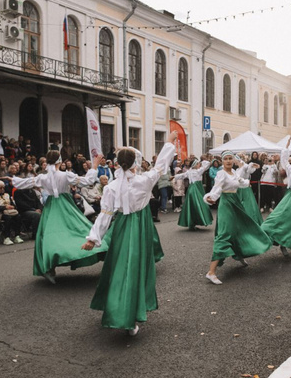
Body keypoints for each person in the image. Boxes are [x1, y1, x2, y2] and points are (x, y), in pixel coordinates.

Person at [81, 131, 178, 336]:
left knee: (120, 268)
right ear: (136, 162)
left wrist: (93, 237)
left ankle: (120, 309)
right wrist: (168, 144)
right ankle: (128, 314)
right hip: (140, 226)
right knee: (135, 269)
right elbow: (160, 166)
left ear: (117, 164)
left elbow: (105, 215)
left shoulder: (111, 187)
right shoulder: (143, 181)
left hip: (122, 227)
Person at [12, 151, 101, 283]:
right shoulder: (66, 175)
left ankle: (49, 267)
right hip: (65, 205)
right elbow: (88, 181)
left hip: (51, 206)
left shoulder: (43, 177)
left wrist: (13, 179)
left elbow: (23, 183)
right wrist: (94, 166)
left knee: (48, 234)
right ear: (60, 161)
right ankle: (93, 248)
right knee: (77, 228)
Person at [202, 151, 272, 285]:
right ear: (222, 161)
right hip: (227, 204)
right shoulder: (221, 174)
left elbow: (241, 182)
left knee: (240, 229)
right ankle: (211, 272)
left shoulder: (234, 173)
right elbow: (217, 189)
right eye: (226, 159)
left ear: (233, 160)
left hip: (236, 203)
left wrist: (248, 180)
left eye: (230, 159)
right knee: (225, 234)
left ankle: (239, 255)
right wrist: (210, 198)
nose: (228, 161)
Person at [174, 158, 213, 230]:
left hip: (191, 189)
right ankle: (196, 221)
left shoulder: (189, 171)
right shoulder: (198, 171)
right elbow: (206, 164)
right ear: (195, 165)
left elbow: (182, 175)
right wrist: (203, 160)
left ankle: (192, 223)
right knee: (199, 205)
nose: (200, 165)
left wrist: (174, 177)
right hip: (196, 189)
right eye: (198, 164)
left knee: (191, 206)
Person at [0, 181, 24, 245]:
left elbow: (13, 205)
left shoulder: (7, 195)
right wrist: (4, 207)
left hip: (10, 211)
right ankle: (6, 237)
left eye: (3, 188)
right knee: (8, 218)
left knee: (18, 216)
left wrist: (12, 206)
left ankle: (17, 235)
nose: (2, 189)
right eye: (0, 188)